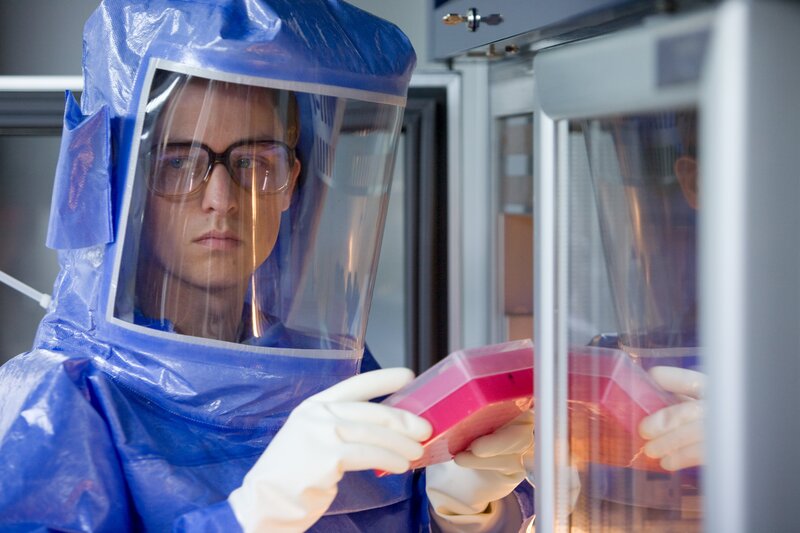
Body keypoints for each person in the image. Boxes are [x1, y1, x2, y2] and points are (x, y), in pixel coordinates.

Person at [0, 1, 533, 531]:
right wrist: (249, 518)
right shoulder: (65, 401)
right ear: (124, 184)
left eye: (255, 162)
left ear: (291, 183)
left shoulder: (317, 369)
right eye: (178, 162)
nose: (221, 200)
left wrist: (459, 511)